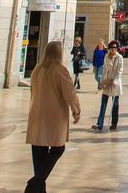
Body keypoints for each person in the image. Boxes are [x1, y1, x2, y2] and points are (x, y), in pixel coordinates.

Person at [25, 40, 80, 193]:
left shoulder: (37, 69)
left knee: (39, 155)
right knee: (58, 149)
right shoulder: (60, 70)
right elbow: (70, 93)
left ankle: (38, 187)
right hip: (53, 117)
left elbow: (32, 91)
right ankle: (34, 183)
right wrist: (76, 110)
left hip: (36, 115)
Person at [92, 40, 123, 132]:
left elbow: (120, 70)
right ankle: (99, 123)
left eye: (115, 47)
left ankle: (114, 123)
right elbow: (105, 69)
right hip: (107, 81)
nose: (114, 49)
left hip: (115, 82)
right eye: (112, 47)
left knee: (115, 104)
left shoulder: (119, 57)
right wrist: (102, 81)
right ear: (109, 48)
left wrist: (115, 80)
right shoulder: (106, 56)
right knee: (103, 103)